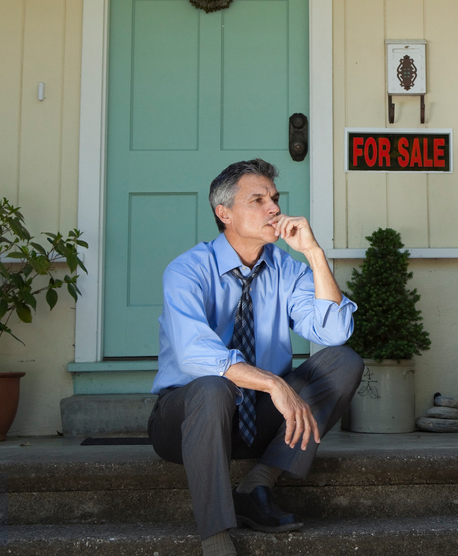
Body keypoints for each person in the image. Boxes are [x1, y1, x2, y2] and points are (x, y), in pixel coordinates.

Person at [148, 158, 363, 556]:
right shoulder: (187, 270)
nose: (274, 209)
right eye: (259, 199)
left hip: (261, 417)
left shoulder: (287, 269)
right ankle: (214, 537)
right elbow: (195, 354)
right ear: (224, 213)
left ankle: (258, 482)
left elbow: (334, 332)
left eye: (276, 199)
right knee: (213, 386)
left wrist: (314, 253)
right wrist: (273, 382)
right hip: (187, 421)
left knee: (344, 361)